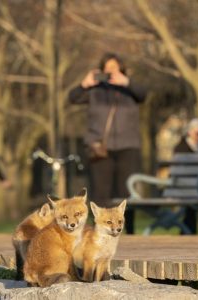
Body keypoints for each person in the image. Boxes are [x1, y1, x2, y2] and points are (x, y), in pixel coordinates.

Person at [68, 53, 146, 234]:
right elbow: (73, 98)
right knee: (100, 191)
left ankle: (129, 230)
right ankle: (99, 230)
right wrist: (84, 84)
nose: (111, 71)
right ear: (101, 70)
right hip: (100, 147)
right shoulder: (95, 90)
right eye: (108, 67)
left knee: (126, 191)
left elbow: (143, 95)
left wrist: (126, 82)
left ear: (122, 69)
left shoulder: (130, 89)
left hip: (128, 145)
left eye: (115, 67)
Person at [174, 118, 198, 234]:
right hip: (184, 186)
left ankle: (188, 232)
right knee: (190, 207)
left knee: (192, 208)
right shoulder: (181, 147)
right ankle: (188, 232)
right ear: (190, 132)